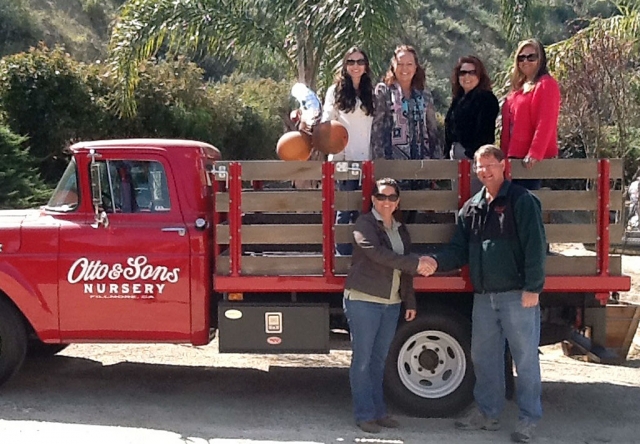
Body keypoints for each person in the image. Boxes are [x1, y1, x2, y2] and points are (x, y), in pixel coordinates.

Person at [421, 145, 546, 443]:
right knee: (484, 358)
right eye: (480, 166)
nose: (485, 170)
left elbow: (536, 247)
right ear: (475, 169)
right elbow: (458, 250)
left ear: (503, 166)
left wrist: (533, 288)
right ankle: (488, 413)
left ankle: (529, 419)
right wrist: (435, 262)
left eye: (490, 164)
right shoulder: (472, 207)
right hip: (484, 297)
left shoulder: (522, 201)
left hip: (517, 295)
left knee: (525, 359)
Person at [343, 177, 433, 434]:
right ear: (373, 199)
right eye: (381, 197)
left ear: (398, 201)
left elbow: (403, 268)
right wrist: (416, 263)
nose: (386, 201)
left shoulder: (401, 229)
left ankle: (379, 411)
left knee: (379, 360)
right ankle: (364, 415)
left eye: (392, 197)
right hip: (364, 300)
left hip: (392, 303)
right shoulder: (365, 224)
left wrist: (410, 300)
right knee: (362, 360)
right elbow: (379, 255)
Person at [322, 46, 375, 255]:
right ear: (345, 65)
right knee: (345, 208)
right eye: (351, 62)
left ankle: (366, 255)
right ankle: (342, 255)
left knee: (368, 209)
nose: (355, 66)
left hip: (369, 159)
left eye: (360, 62)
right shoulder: (335, 91)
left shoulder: (372, 91)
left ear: (366, 66)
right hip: (344, 157)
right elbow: (328, 120)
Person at [501, 38, 561, 190]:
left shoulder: (546, 84)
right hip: (512, 157)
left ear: (540, 60)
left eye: (531, 57)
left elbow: (546, 122)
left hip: (531, 161)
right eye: (521, 57)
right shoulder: (517, 89)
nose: (525, 61)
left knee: (526, 205)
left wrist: (535, 153)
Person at [371, 45, 443, 162]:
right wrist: (379, 161)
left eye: (409, 64)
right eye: (400, 64)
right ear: (393, 66)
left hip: (423, 163)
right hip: (391, 163)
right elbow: (377, 130)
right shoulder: (384, 91)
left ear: (415, 67)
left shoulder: (424, 94)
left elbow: (432, 130)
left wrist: (437, 159)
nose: (404, 68)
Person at [445, 55, 499, 194]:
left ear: (480, 75)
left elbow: (486, 134)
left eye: (472, 72)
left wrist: (473, 155)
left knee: (474, 200)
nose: (467, 76)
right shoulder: (458, 99)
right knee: (459, 199)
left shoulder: (486, 99)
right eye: (463, 72)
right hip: (456, 157)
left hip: (474, 158)